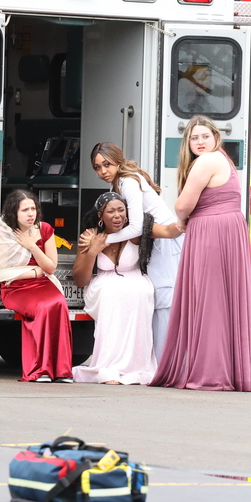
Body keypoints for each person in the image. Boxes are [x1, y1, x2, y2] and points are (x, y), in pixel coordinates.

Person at [150, 116, 251, 391]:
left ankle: (209, 371)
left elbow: (183, 204)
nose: (200, 142)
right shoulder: (224, 160)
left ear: (215, 138)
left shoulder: (206, 161)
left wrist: (182, 220)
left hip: (211, 230)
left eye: (204, 136)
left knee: (209, 300)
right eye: (194, 138)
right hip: (228, 228)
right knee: (221, 299)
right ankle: (223, 369)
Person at [82, 142, 183, 360]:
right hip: (154, 241)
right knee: (156, 301)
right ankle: (155, 361)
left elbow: (136, 226)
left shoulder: (128, 181)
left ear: (118, 161)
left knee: (164, 301)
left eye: (106, 165)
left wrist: (102, 241)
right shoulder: (118, 184)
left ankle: (166, 363)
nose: (102, 172)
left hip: (166, 242)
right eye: (97, 167)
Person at [72, 192, 182, 385]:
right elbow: (81, 280)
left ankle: (136, 366)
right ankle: (109, 366)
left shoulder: (138, 231)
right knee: (113, 294)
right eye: (111, 211)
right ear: (100, 215)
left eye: (121, 210)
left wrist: (187, 220)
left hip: (134, 280)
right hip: (104, 284)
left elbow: (168, 232)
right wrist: (92, 252)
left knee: (140, 292)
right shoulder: (91, 236)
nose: (117, 216)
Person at [0, 189, 73, 383]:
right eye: (25, 210)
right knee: (43, 308)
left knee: (59, 303)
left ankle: (62, 371)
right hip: (15, 289)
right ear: (14, 213)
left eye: (33, 208)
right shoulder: (4, 232)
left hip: (43, 283)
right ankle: (39, 370)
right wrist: (36, 270)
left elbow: (50, 268)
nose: (31, 213)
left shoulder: (44, 229)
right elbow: (3, 273)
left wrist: (33, 246)